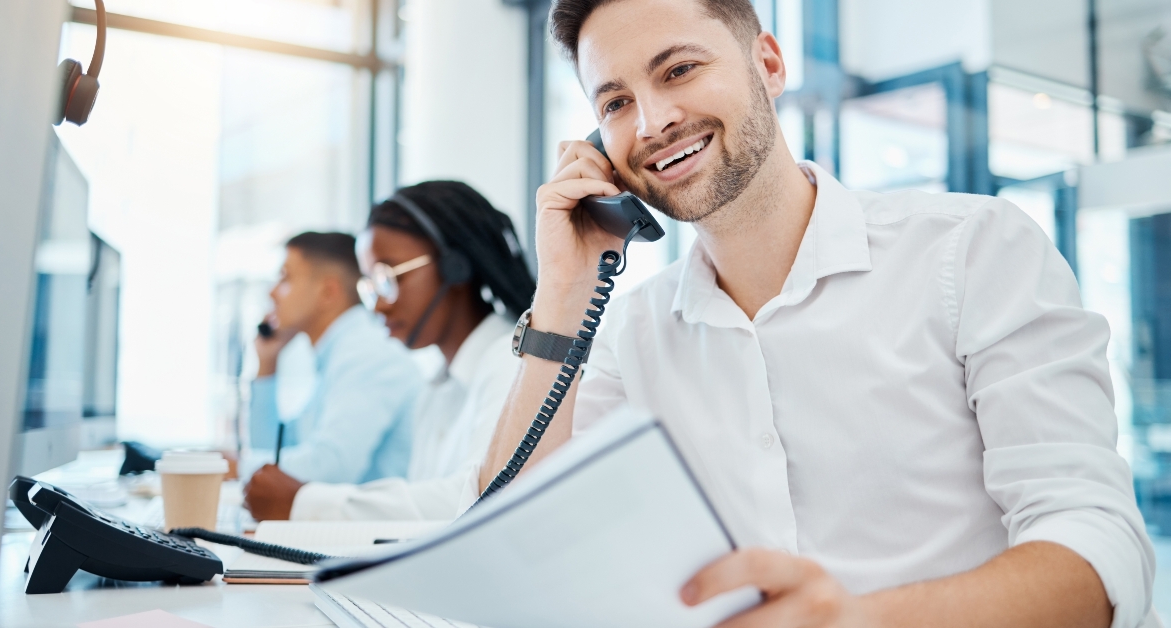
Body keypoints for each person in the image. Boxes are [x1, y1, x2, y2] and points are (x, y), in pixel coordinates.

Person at [476, 1, 1155, 627]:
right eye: (617, 102)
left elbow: (1096, 549)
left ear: (767, 65)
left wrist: (858, 621)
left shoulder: (973, 250)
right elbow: (509, 543)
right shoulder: (633, 332)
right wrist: (562, 292)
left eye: (679, 70)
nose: (652, 123)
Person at [244, 181, 535, 521]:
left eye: (388, 278)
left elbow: (476, 500)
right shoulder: (437, 388)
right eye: (371, 286)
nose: (378, 305)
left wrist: (305, 504)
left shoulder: (511, 361)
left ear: (454, 266)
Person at [246, 232, 421, 486]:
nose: (272, 293)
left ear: (328, 292)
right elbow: (274, 452)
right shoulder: (336, 355)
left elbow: (330, 469)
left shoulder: (367, 355)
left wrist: (237, 466)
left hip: (371, 525)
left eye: (285, 278)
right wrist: (266, 364)